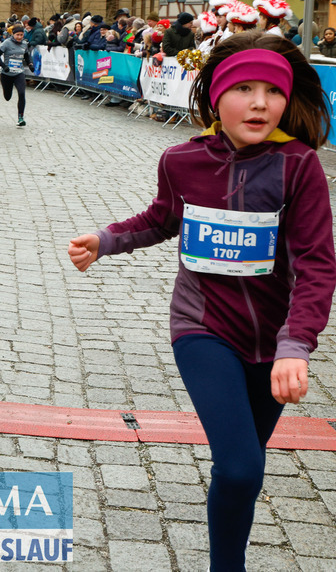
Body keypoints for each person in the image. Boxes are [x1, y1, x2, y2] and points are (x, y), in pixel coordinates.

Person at [68, 31, 335, 572]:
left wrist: (295, 344)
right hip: (202, 329)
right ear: (215, 95)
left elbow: (316, 264)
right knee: (239, 467)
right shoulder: (181, 160)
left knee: (244, 467)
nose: (260, 103)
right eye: (244, 89)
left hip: (273, 345)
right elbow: (162, 218)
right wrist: (108, 239)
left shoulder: (300, 166)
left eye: (273, 91)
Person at [0, 24, 34, 127]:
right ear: (13, 34)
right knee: (7, 97)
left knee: (21, 93)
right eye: (17, 35)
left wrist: (30, 64)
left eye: (21, 35)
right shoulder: (7, 43)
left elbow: (26, 56)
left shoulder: (24, 44)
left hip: (19, 73)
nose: (20, 37)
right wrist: (4, 66)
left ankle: (21, 118)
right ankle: (7, 91)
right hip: (6, 74)